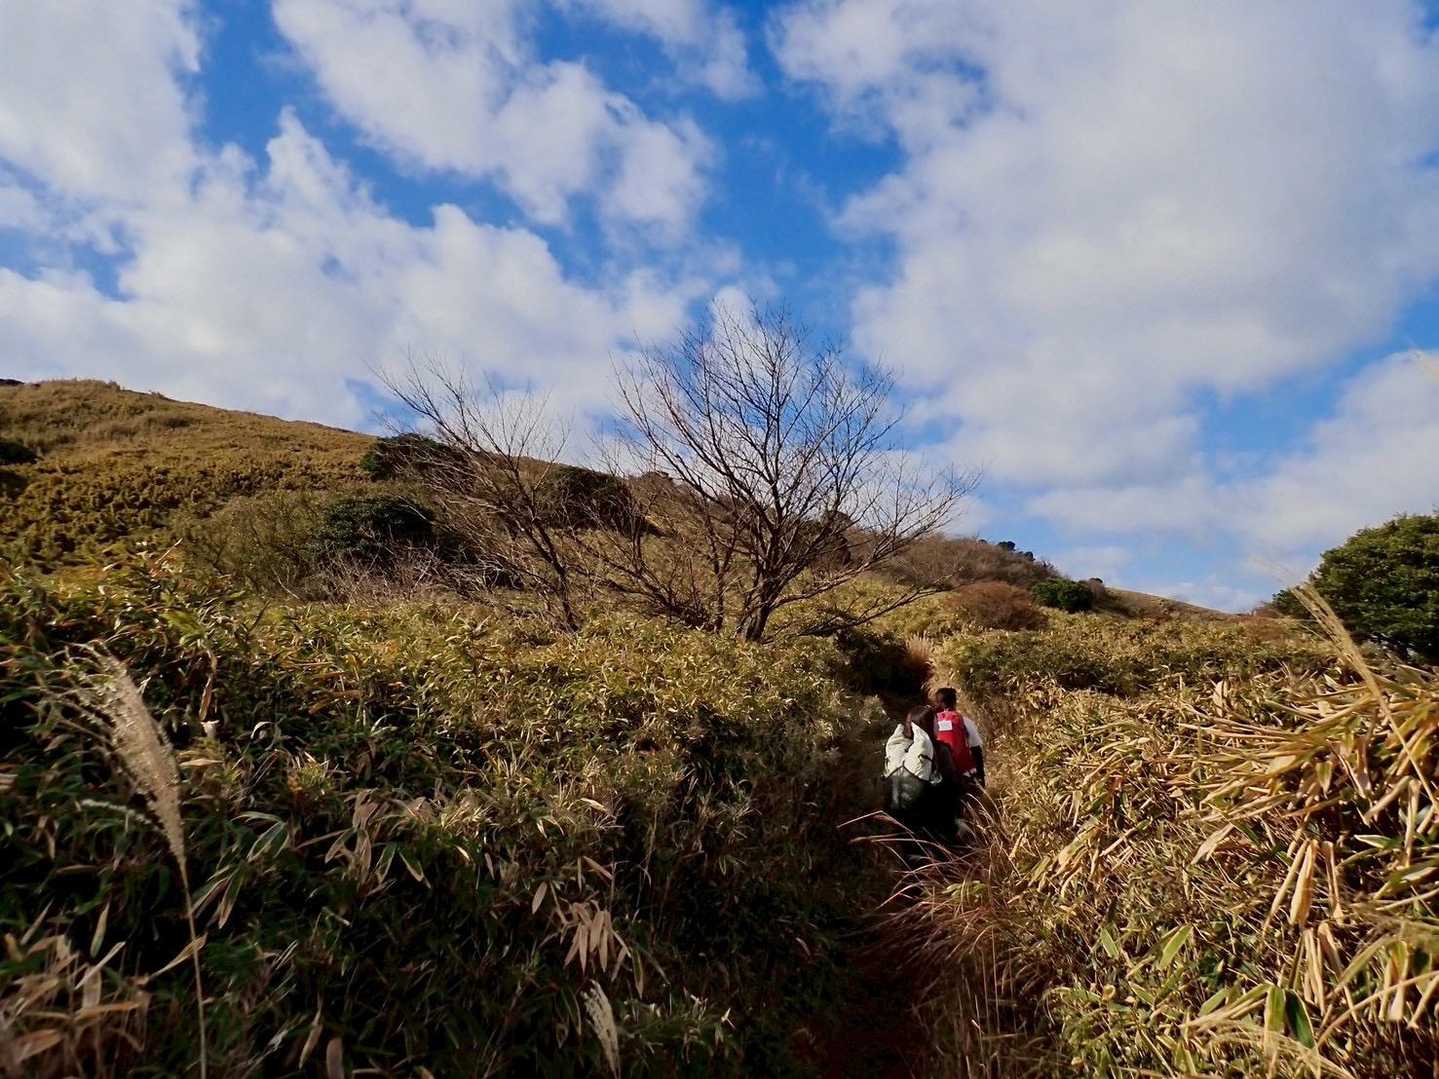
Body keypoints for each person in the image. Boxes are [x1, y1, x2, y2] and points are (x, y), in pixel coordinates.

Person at [934, 687, 984, 786]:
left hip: (940, 775)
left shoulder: (932, 723)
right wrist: (981, 778)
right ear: (954, 702)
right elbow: (976, 749)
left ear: (937, 703)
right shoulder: (965, 721)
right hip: (963, 773)